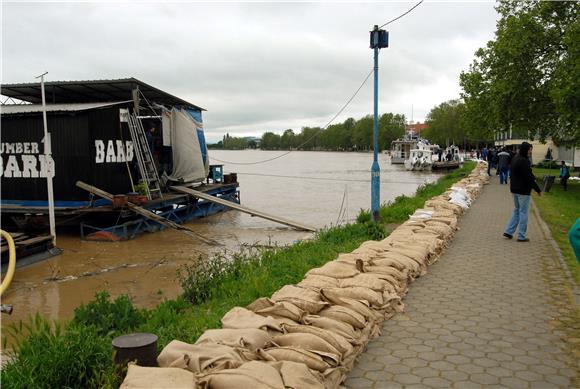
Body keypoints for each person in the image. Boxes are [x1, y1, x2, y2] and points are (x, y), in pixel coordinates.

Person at [503, 142, 541, 242]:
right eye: (529, 150)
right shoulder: (523, 161)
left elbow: (526, 173)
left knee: (517, 210)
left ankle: (509, 231)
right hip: (523, 191)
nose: (530, 152)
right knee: (523, 212)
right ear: (525, 149)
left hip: (514, 189)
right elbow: (528, 177)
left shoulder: (515, 158)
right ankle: (521, 236)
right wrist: (538, 190)